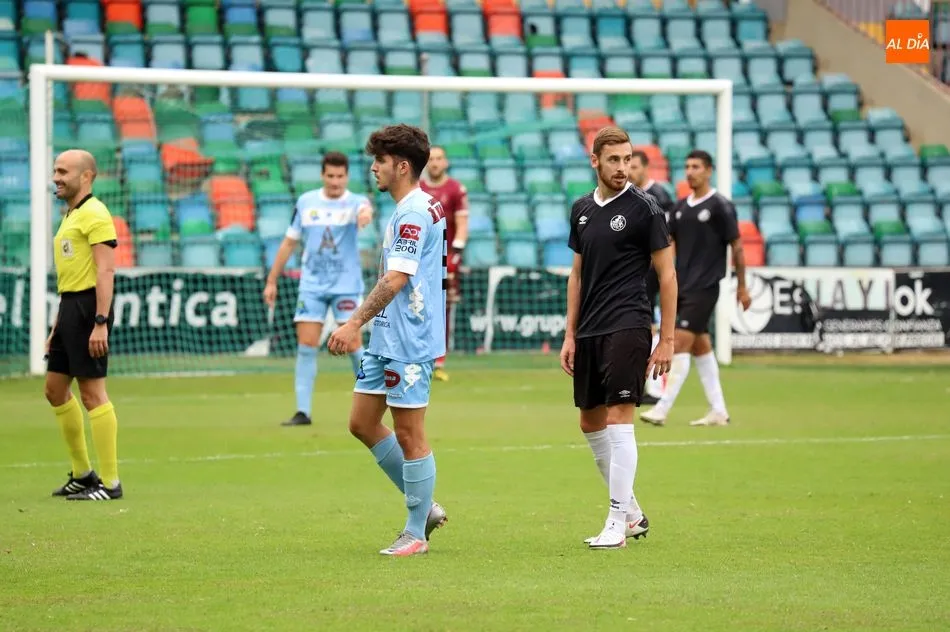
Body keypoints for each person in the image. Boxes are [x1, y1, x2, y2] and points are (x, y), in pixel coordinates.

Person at [327, 124, 448, 557]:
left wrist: (352, 322)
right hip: (388, 336)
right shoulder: (411, 207)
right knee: (361, 422)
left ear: (401, 166)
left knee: (410, 432)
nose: (373, 167)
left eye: (379, 160)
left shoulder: (414, 212)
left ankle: (416, 532)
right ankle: (425, 506)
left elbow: (396, 278)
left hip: (409, 339)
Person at [559, 127, 677, 549]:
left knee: (619, 419)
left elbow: (667, 275)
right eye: (614, 160)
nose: (623, 168)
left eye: (628, 159)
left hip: (629, 323)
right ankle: (631, 512)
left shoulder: (646, 208)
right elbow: (576, 274)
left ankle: (615, 523)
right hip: (589, 327)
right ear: (595, 161)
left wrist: (666, 338)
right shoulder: (581, 209)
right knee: (590, 422)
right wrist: (569, 334)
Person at [640, 150, 752, 428]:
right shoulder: (679, 208)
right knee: (701, 347)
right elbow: (668, 244)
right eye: (687, 166)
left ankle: (662, 408)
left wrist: (742, 286)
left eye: (696, 167)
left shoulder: (720, 206)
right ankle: (718, 410)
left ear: (709, 171)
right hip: (684, 285)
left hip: (706, 286)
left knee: (677, 344)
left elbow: (737, 247)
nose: (690, 171)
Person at [263, 152, 374, 427]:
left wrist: (364, 217)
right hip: (312, 285)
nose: (335, 182)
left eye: (340, 176)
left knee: (353, 344)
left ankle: (373, 400)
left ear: (346, 177)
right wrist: (272, 280)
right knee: (306, 344)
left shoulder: (356, 202)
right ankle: (303, 412)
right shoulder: (306, 203)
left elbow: (366, 211)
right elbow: (289, 243)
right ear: (323, 175)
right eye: (330, 176)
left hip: (346, 285)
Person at [45, 149, 124, 501]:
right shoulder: (71, 214)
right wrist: (57, 324)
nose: (56, 177)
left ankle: (110, 483)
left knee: (93, 394)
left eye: (63, 171)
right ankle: (83, 474)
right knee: (55, 389)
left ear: (86, 176)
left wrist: (100, 322)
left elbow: (105, 271)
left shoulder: (95, 213)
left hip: (89, 308)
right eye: (55, 171)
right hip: (69, 307)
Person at [627, 149, 675, 404]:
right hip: (635, 269)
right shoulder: (628, 196)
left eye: (634, 166)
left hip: (653, 269)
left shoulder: (659, 196)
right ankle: (641, 384)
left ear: (646, 168)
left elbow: (668, 236)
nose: (630, 171)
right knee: (640, 325)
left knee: (651, 323)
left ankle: (656, 387)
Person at [420, 145, 469, 382]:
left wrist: (457, 251)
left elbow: (462, 223)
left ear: (446, 162)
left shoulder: (455, 189)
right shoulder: (418, 189)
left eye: (439, 158)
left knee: (443, 308)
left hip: (444, 258)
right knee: (418, 304)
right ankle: (418, 358)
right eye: (431, 159)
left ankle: (438, 360)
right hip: (421, 256)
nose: (435, 163)